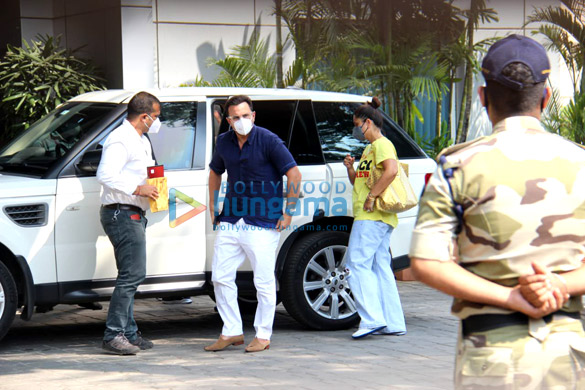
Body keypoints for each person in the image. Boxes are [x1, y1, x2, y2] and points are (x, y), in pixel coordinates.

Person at [410, 34, 585, 388]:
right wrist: (558, 284)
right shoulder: (581, 163)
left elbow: (427, 263)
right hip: (569, 356)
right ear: (546, 98)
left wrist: (511, 297)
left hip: (489, 357)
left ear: (483, 97)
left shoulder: (455, 167)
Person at [205, 95, 301, 353]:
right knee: (220, 276)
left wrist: (288, 211)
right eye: (236, 117)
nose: (241, 121)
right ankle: (232, 331)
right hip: (232, 218)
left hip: (263, 220)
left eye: (245, 116)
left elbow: (293, 173)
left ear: (253, 116)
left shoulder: (269, 140)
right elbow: (215, 171)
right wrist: (214, 205)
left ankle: (263, 334)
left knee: (263, 280)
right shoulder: (224, 141)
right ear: (228, 120)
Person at [97, 91, 161, 355]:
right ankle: (113, 335)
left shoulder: (140, 139)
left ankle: (130, 334)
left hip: (132, 213)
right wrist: (138, 189)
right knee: (132, 275)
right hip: (121, 213)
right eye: (156, 116)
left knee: (130, 275)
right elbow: (105, 175)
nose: (158, 122)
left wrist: (155, 187)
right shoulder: (120, 140)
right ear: (144, 116)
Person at [342, 98, 406, 339]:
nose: (356, 130)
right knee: (380, 268)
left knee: (356, 265)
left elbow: (391, 170)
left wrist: (371, 197)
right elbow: (359, 181)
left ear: (368, 123)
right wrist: (351, 168)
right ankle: (393, 322)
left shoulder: (382, 144)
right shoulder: (369, 149)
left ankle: (372, 319)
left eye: (357, 125)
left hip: (372, 215)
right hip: (373, 215)